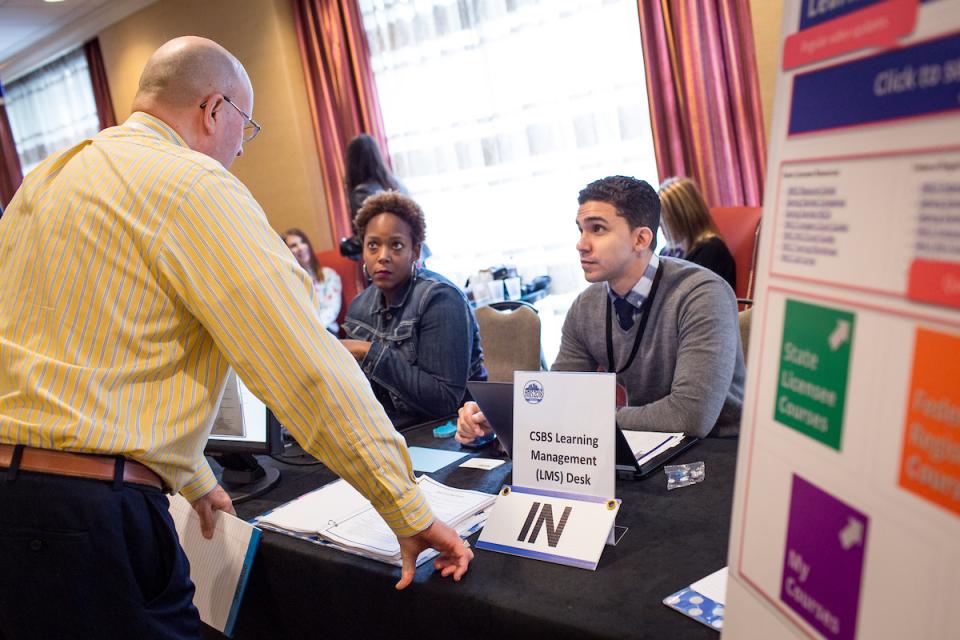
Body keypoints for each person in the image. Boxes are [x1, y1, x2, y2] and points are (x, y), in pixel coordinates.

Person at [0, 36, 471, 639]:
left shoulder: (46, 179)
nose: (239, 153)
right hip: (89, 516)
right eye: (244, 129)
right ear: (214, 109)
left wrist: (193, 478)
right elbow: (303, 367)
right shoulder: (191, 183)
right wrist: (405, 507)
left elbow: (88, 361)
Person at [457, 175, 743, 444]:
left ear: (641, 239)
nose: (581, 244)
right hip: (646, 444)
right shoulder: (586, 306)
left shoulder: (702, 294)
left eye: (598, 229)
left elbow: (689, 416)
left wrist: (582, 418)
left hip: (718, 451)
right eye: (581, 230)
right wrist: (501, 417)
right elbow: (557, 396)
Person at [342, 191, 486, 428]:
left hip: (451, 432)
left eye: (396, 245)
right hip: (389, 433)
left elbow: (444, 401)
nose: (383, 257)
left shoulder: (440, 299)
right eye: (373, 246)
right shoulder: (359, 307)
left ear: (415, 252)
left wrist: (368, 351)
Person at [658, 176, 737, 291]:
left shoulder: (711, 251)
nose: (659, 225)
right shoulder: (666, 251)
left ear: (682, 217)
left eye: (663, 220)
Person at [283, 227, 343, 334]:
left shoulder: (328, 274)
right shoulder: (287, 281)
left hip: (326, 330)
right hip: (301, 333)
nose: (300, 247)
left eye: (302, 242)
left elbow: (332, 308)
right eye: (293, 246)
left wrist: (313, 329)